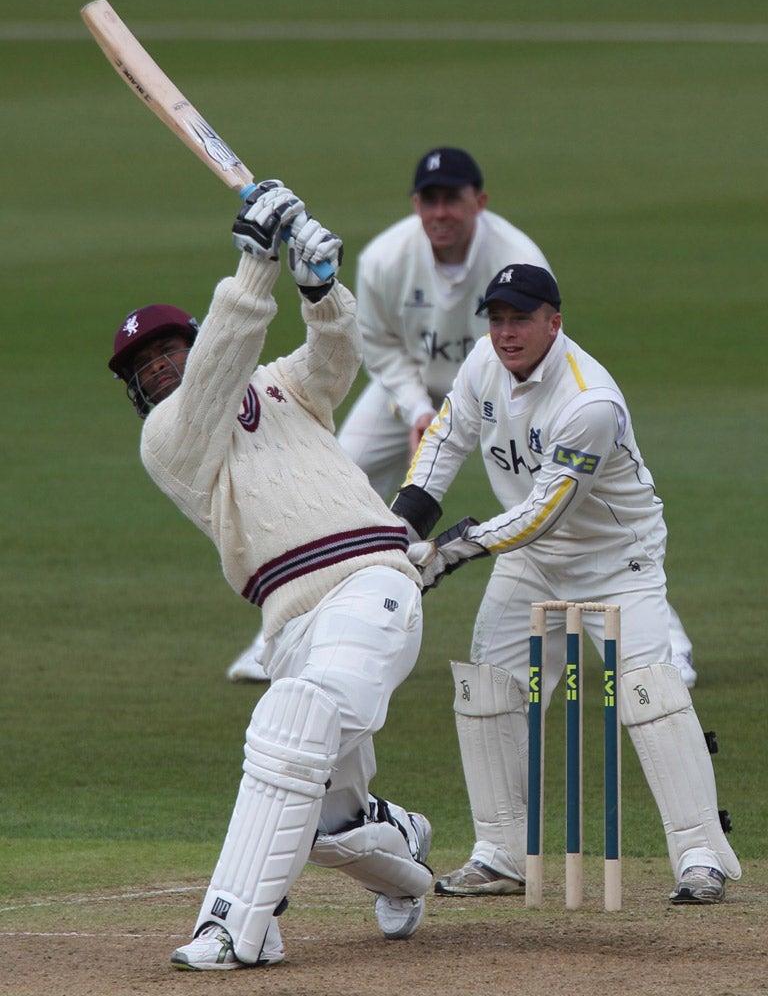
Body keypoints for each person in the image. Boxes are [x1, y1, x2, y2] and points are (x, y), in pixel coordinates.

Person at [108, 182, 433, 970]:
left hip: (371, 582)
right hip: (293, 625)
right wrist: (255, 267)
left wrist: (320, 290)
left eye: (167, 351)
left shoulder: (280, 384)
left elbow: (332, 359)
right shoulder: (168, 441)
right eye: (143, 367)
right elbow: (218, 373)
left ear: (192, 341)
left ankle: (235, 928)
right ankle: (406, 860)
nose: (158, 369)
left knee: (289, 727)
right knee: (328, 825)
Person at [228, 147, 698, 689]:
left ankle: (666, 648)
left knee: (569, 516)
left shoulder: (519, 259)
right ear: (415, 205)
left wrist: (452, 547)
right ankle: (291, 629)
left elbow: (531, 344)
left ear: (480, 202)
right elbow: (378, 347)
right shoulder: (386, 258)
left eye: (454, 198)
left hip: (514, 381)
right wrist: (417, 416)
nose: (441, 212)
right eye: (430, 200)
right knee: (339, 479)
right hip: (421, 383)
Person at [393, 263, 740, 904]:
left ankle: (700, 855)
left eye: (521, 318)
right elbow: (443, 440)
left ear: (555, 323)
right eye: (496, 319)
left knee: (649, 697)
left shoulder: (590, 401)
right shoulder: (481, 365)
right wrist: (401, 525)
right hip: (532, 562)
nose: (506, 332)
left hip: (618, 563)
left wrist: (449, 551)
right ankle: (500, 855)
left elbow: (547, 508)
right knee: (488, 689)